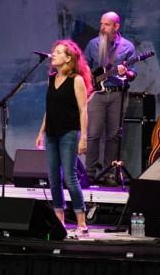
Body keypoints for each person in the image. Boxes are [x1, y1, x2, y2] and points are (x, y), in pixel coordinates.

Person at [36, 39, 91, 238]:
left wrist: (83, 137)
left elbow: (83, 110)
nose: (54, 55)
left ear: (68, 58)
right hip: (51, 132)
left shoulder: (76, 80)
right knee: (53, 179)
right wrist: (41, 131)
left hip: (69, 133)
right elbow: (49, 108)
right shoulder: (51, 78)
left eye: (58, 52)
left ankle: (81, 222)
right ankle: (59, 221)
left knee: (70, 177)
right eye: (54, 51)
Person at [83, 12, 137, 185]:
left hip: (117, 94)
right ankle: (89, 174)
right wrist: (90, 79)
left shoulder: (127, 47)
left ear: (116, 26)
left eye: (106, 24)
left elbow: (133, 73)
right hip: (97, 94)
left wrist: (126, 72)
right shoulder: (93, 44)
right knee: (93, 134)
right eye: (101, 24)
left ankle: (109, 173)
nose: (102, 27)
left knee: (113, 136)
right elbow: (83, 66)